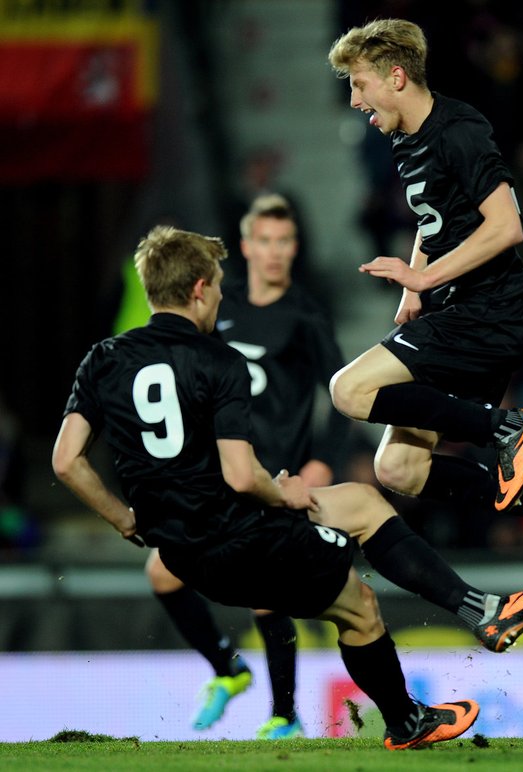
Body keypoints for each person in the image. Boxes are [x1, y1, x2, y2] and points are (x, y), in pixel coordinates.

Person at [52, 225, 523, 751]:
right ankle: (480, 618)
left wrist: (125, 519)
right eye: (220, 284)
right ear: (200, 289)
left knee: (360, 553)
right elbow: (239, 474)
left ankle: (413, 712)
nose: (224, 294)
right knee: (360, 586)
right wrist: (283, 494)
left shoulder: (103, 360)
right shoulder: (218, 359)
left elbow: (67, 462)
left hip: (183, 553)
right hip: (241, 538)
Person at [326, 19, 523, 587]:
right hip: (461, 312)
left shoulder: (458, 130)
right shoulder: (405, 135)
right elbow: (432, 216)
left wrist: (425, 279)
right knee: (396, 467)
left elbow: (507, 226)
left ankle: (506, 428)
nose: (353, 99)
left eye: (358, 83)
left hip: (491, 313)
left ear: (395, 77)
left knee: (347, 390)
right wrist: (414, 283)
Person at [142, 194, 347, 739]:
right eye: (266, 241)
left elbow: (344, 397)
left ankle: (284, 715)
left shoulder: (305, 314)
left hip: (273, 477)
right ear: (247, 246)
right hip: (220, 471)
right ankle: (228, 670)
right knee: (162, 572)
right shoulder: (216, 307)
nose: (275, 252)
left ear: (294, 248)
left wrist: (323, 461)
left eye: (285, 242)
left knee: (263, 592)